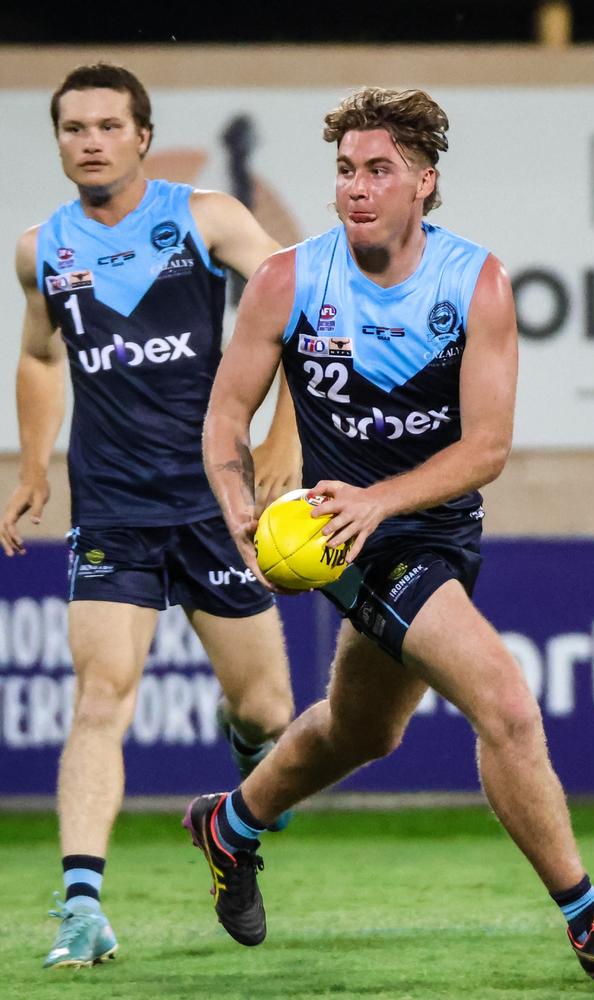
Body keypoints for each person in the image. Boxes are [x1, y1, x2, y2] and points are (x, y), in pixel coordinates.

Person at [184, 86, 594, 983]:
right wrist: (241, 506)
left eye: (378, 171)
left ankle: (229, 824)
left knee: (364, 732)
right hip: (343, 537)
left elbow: (486, 448)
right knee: (506, 706)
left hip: (428, 527)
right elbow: (224, 417)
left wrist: (384, 501)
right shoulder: (288, 278)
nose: (356, 188)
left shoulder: (476, 281)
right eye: (346, 171)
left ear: (423, 184)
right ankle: (591, 922)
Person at [0, 62, 301, 969]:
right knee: (100, 701)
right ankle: (82, 906)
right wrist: (31, 463)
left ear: (140, 133)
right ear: (58, 141)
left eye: (105, 125)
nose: (88, 141)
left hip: (216, 507)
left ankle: (243, 760)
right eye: (72, 128)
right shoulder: (38, 249)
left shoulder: (204, 218)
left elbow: (295, 305)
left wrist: (284, 438)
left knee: (271, 710)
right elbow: (41, 357)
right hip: (114, 513)